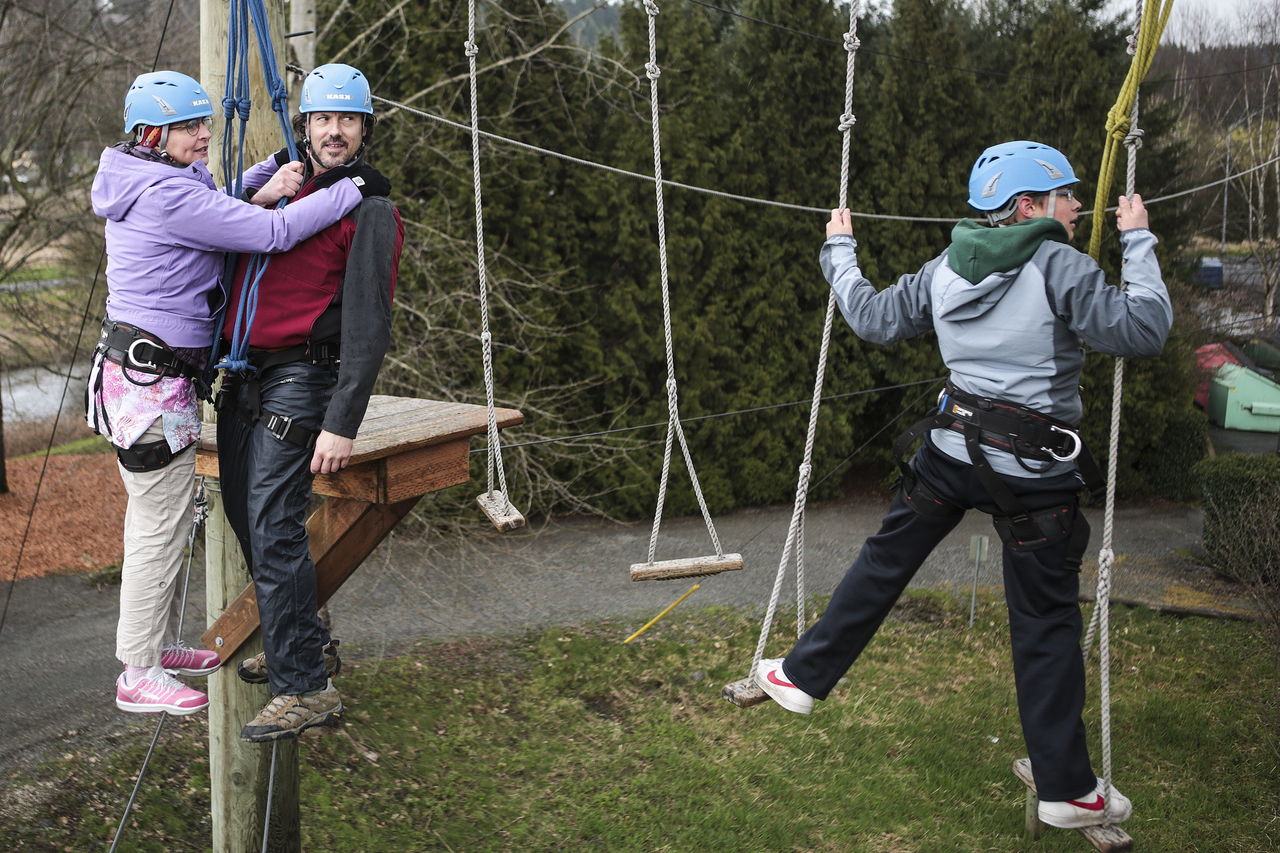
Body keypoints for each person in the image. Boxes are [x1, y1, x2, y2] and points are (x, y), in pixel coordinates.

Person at [754, 140, 1172, 830]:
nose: (1077, 208)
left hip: (950, 451)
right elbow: (1145, 329)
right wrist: (1139, 242)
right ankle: (1067, 788)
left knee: (885, 560)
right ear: (1028, 205)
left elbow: (872, 316)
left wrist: (839, 253)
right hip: (1035, 474)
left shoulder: (946, 266)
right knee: (1043, 621)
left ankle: (802, 677)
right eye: (1066, 195)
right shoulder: (1059, 264)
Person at [89, 70, 383, 715]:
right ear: (151, 135)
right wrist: (351, 188)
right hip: (152, 383)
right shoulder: (166, 194)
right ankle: (138, 668)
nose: (203, 136)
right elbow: (269, 232)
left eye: (204, 124)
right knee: (159, 525)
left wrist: (261, 178)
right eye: (189, 128)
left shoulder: (151, 176)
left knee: (171, 517)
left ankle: (158, 645)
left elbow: (219, 200)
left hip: (152, 376)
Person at [214, 63, 404, 743]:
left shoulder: (369, 209)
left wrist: (342, 420)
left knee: (273, 523)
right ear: (305, 128)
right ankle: (303, 636)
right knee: (247, 518)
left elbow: (369, 321)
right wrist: (261, 196)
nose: (333, 131)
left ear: (363, 131)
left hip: (302, 377)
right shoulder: (284, 194)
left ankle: (305, 686)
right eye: (323, 119)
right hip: (245, 374)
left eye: (346, 120)